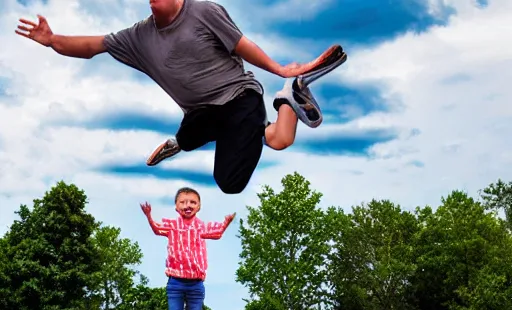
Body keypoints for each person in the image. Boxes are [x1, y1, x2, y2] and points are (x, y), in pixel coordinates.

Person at [15, 0, 347, 194]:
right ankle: (179, 142)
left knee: (234, 178)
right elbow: (90, 47)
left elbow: (243, 46)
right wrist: (52, 40)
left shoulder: (203, 11)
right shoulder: (138, 37)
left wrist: (281, 70)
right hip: (202, 114)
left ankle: (289, 95)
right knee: (222, 134)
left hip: (238, 99)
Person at [141, 187, 234, 310]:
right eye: (183, 202)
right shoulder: (172, 225)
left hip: (196, 285)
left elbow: (216, 233)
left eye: (192, 202)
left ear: (199, 206)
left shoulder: (201, 227)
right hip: (175, 282)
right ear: (176, 206)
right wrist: (149, 216)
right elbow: (157, 229)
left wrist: (226, 223)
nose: (187, 205)